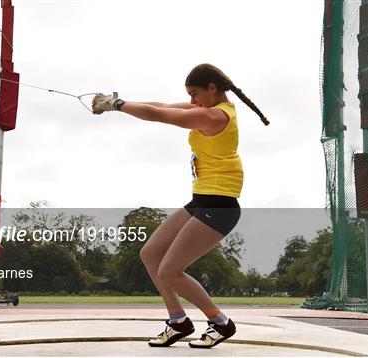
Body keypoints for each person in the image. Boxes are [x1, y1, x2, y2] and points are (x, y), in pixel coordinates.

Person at [92, 63, 268, 348]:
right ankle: (178, 321)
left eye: (194, 94)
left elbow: (159, 114)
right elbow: (160, 104)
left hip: (220, 206)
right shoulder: (205, 109)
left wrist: (117, 104)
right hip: (201, 201)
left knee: (170, 270)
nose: (190, 102)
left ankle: (220, 322)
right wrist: (116, 104)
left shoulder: (215, 116)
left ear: (212, 89)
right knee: (150, 254)